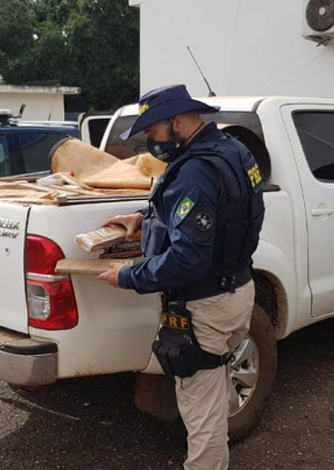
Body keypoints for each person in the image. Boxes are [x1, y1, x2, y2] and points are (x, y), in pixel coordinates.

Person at [98, 84, 265, 470]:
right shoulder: (232, 150)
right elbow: (221, 213)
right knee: (214, 387)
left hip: (204, 303)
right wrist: (141, 220)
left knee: (200, 409)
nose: (149, 142)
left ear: (175, 123)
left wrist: (129, 275)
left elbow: (188, 259)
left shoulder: (195, 169)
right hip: (237, 289)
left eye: (152, 133)